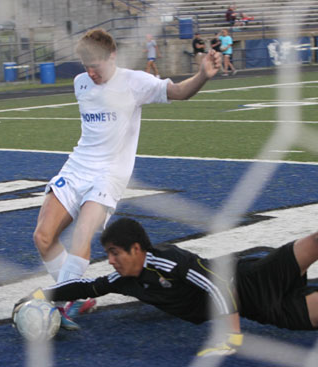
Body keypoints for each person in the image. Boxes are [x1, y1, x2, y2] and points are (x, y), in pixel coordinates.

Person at [17, 158, 318, 355]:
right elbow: (85, 285)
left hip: (251, 280)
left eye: (114, 253)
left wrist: (229, 337)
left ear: (138, 249)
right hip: (264, 310)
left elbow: (216, 285)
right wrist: (43, 296)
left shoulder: (167, 260)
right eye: (107, 254)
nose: (110, 261)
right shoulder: (123, 279)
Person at [32, 28, 222, 330]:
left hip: (109, 174)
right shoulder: (80, 83)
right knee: (43, 237)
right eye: (86, 66)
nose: (91, 72)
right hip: (77, 167)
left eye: (97, 65)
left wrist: (203, 75)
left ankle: (56, 306)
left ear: (113, 56)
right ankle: (79, 293)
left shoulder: (135, 82)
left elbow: (179, 92)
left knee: (82, 235)